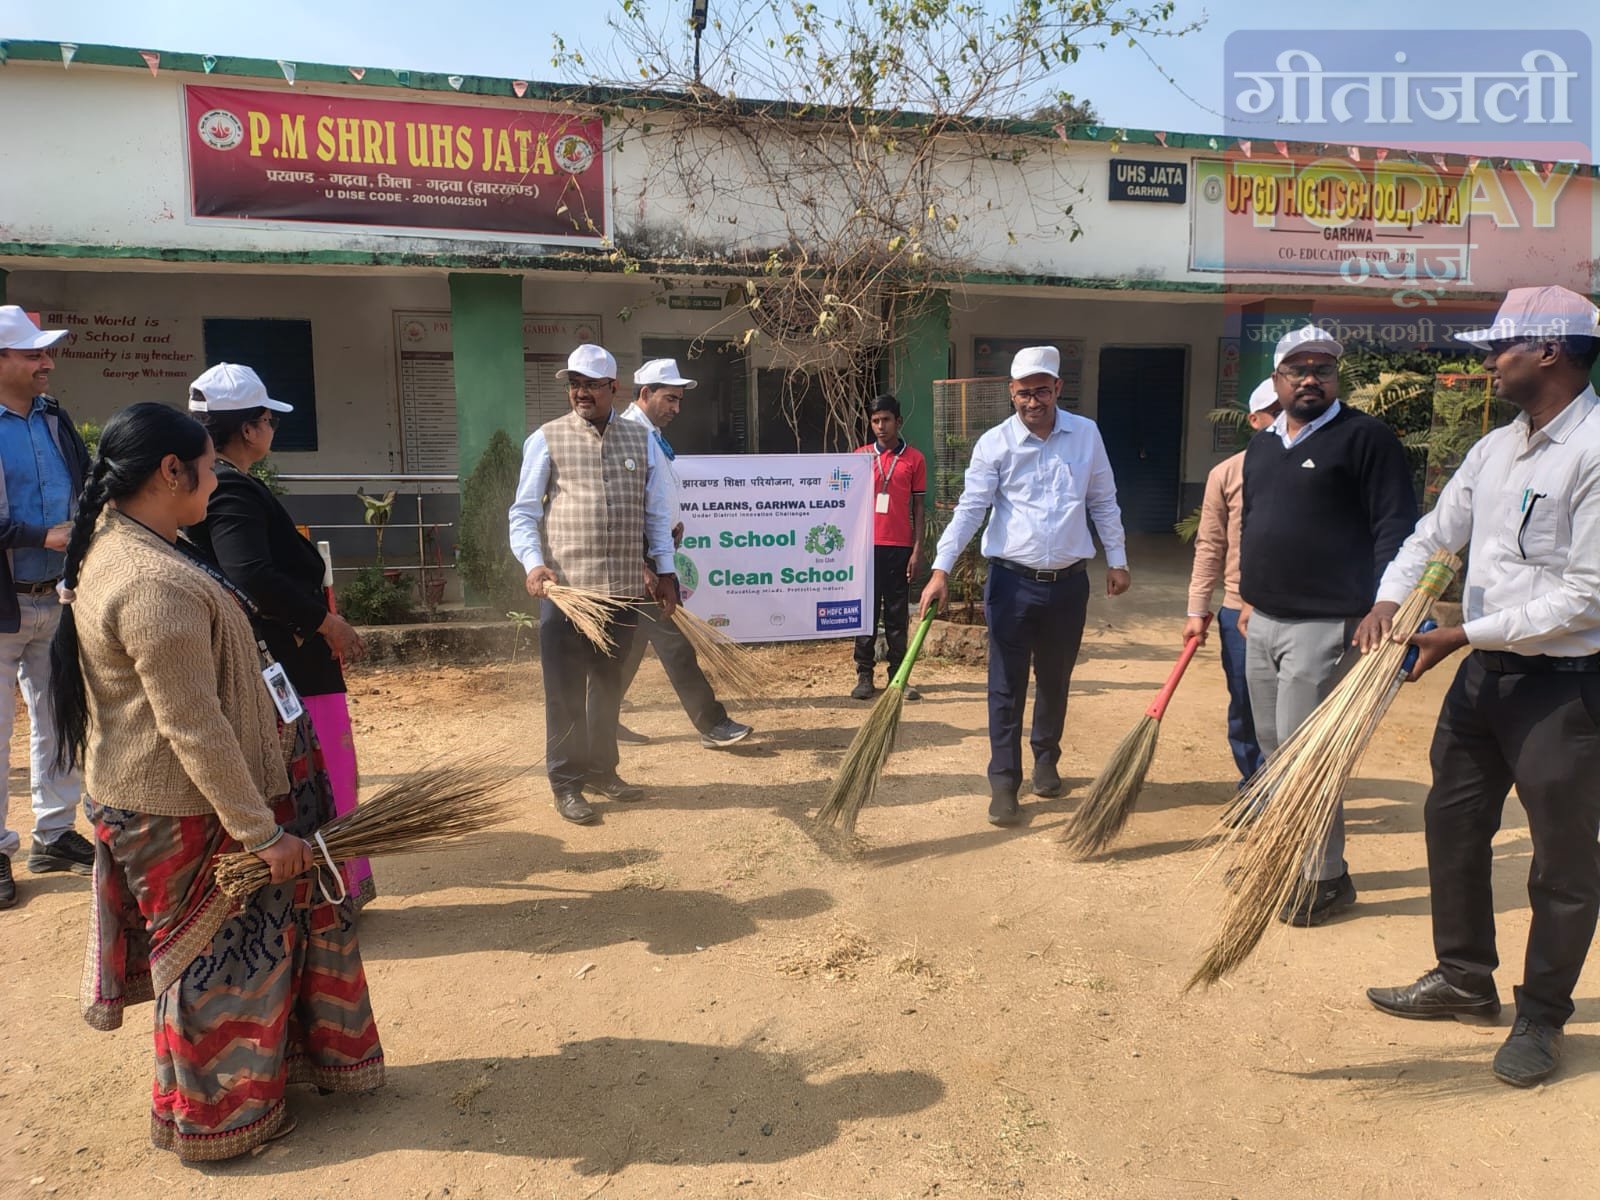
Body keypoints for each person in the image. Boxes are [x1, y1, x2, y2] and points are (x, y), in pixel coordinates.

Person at [49, 402, 383, 1161]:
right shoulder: (148, 582)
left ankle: (266, 1086)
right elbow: (191, 726)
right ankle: (218, 1122)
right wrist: (261, 833)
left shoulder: (139, 544)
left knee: (253, 953)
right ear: (172, 472)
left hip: (198, 796)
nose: (216, 478)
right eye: (207, 465)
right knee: (218, 968)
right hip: (186, 807)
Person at [1360, 285, 1600, 1088]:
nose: (1489, 361)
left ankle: (1541, 1018)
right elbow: (1436, 532)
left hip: (1563, 691)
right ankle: (1465, 978)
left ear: (1551, 352)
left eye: (1501, 348)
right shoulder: (1498, 448)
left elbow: (1586, 595)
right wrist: (1392, 596)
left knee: (1561, 863)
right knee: (1451, 824)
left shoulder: (1596, 448)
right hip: (1483, 682)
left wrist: (1462, 632)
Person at [1238, 325, 1417, 925]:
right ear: (1277, 379)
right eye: (1298, 369)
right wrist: (1243, 598)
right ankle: (1281, 854)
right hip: (1262, 622)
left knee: (1308, 757)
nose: (1311, 378)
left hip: (1329, 625)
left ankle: (1322, 876)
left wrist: (1383, 606)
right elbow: (1255, 524)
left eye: (1323, 369)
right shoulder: (1264, 446)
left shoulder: (1366, 439)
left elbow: (1397, 529)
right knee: (1272, 752)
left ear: (1336, 378)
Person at [183, 363, 375, 905]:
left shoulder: (225, 484)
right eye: (268, 418)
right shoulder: (231, 492)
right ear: (248, 427)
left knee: (319, 773)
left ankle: (330, 886)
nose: (272, 428)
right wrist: (324, 622)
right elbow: (251, 575)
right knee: (322, 774)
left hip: (287, 655)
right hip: (288, 662)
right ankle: (330, 893)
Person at [919, 345, 1129, 827]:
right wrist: (941, 569)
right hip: (1011, 583)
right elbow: (971, 509)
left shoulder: (1086, 435)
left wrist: (1116, 559)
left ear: (1057, 388)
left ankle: (1045, 758)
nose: (1031, 401)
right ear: (1010, 394)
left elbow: (1104, 500)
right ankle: (1004, 782)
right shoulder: (995, 444)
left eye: (1041, 390)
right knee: (1006, 685)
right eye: (1022, 393)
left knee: (1055, 679)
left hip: (1069, 585)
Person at [509, 344, 679, 825]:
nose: (581, 392)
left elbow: (654, 513)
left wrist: (664, 571)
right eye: (574, 384)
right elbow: (523, 512)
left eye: (591, 384)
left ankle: (604, 770)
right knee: (564, 693)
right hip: (568, 594)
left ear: (613, 389)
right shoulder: (546, 438)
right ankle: (566, 784)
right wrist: (533, 563)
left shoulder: (639, 440)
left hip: (622, 591)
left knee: (607, 687)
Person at [0, 306, 93, 909]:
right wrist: (43, 537)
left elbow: (84, 488)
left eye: (45, 353)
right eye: (32, 354)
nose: (47, 363)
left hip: (56, 597)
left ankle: (54, 834)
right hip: (4, 601)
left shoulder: (54, 420)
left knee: (61, 716)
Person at [615, 357, 753, 749]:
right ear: (646, 394)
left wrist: (671, 525)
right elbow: (626, 506)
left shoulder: (650, 435)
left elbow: (656, 497)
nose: (677, 408)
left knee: (630, 646)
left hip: (656, 549)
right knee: (674, 643)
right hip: (641, 557)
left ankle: (600, 718)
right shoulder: (630, 436)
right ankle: (712, 723)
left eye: (679, 400)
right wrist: (646, 562)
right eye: (670, 399)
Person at [1183, 378, 1279, 788]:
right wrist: (1196, 608)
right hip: (1239, 610)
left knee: (1298, 705)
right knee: (1245, 701)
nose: (1286, 419)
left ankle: (1288, 787)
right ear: (1255, 420)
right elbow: (1210, 545)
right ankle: (1254, 785)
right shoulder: (1226, 474)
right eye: (1276, 412)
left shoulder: (1327, 466)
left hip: (1304, 611)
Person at [851, 393, 928, 702]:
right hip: (866, 548)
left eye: (886, 420)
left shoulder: (915, 459)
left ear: (899, 421)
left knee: (896, 616)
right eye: (875, 421)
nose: (880, 426)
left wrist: (917, 549)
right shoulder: (860, 457)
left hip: (898, 546)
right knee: (865, 615)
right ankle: (864, 676)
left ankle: (899, 676)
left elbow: (919, 508)